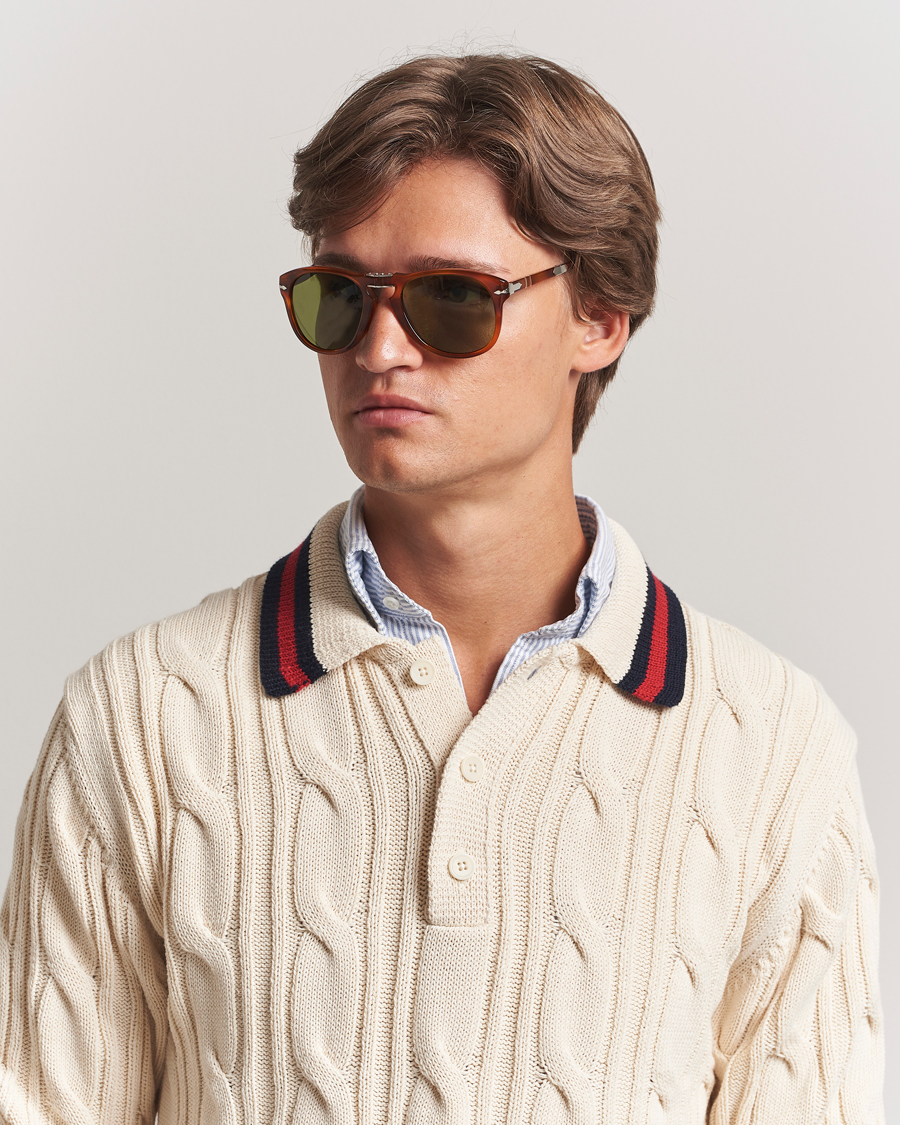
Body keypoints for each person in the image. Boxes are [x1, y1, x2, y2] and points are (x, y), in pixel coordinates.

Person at [0, 52, 883, 1125]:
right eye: (340, 297)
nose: (379, 348)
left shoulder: (776, 756)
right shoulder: (138, 721)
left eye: (452, 299)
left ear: (600, 316)